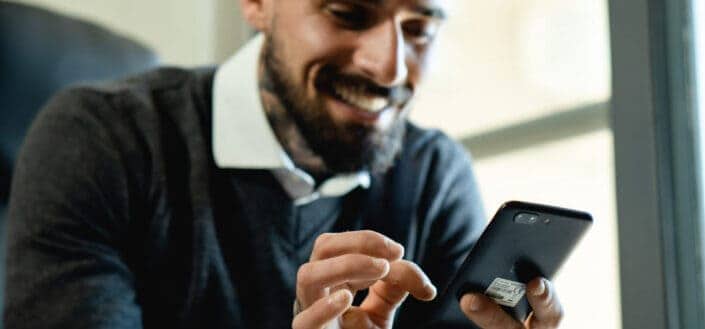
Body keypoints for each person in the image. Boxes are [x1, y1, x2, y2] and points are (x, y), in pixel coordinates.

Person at [5, 0, 565, 328]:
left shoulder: (437, 178)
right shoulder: (103, 140)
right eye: (348, 12)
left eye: (418, 29)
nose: (390, 69)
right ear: (256, 4)